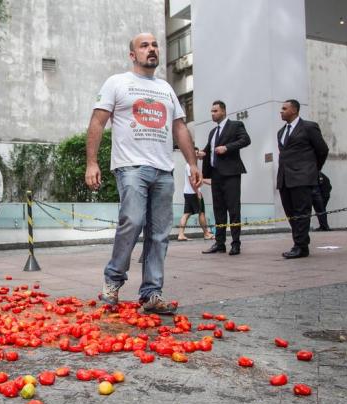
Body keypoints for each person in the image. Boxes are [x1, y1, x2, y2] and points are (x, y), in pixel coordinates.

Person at [85, 32, 201, 314]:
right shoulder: (117, 83)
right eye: (144, 45)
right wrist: (92, 162)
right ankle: (113, 281)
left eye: (154, 45)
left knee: (160, 233)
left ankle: (151, 293)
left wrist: (192, 163)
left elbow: (180, 128)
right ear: (132, 54)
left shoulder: (166, 88)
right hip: (131, 167)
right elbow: (98, 122)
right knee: (133, 220)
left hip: (163, 170)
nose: (151, 49)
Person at [276, 99, 329, 259]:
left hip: (302, 178)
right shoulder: (281, 131)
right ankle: (301, 242)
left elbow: (322, 150)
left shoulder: (308, 127)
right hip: (285, 179)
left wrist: (312, 170)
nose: (281, 111)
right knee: (290, 212)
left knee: (301, 212)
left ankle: (300, 246)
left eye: (284, 108)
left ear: (294, 110)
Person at [199, 100, 251, 256]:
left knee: (234, 209)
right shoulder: (212, 132)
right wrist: (203, 153)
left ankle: (236, 244)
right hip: (216, 175)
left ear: (223, 111)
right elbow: (209, 150)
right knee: (218, 210)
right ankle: (219, 243)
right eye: (211, 111)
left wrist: (227, 148)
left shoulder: (236, 125)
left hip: (231, 174)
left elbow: (246, 140)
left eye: (215, 111)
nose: (212, 114)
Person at [177, 150, 213, 241]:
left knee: (186, 214)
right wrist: (198, 193)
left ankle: (181, 235)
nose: (198, 154)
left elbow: (204, 154)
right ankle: (206, 234)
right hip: (193, 193)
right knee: (201, 213)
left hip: (189, 193)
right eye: (196, 153)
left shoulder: (192, 165)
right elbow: (192, 181)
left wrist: (211, 182)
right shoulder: (190, 166)